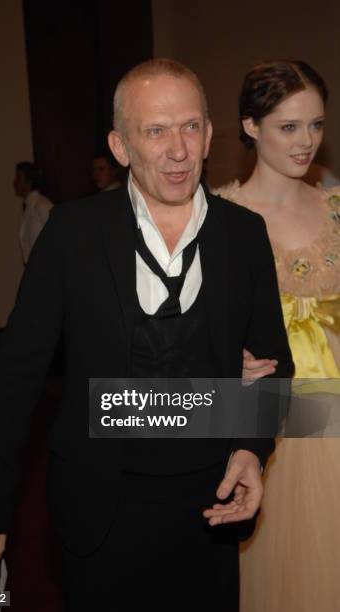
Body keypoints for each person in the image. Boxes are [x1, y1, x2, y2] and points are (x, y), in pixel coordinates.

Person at [0, 59, 293, 611]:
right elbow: (16, 378)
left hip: (209, 507)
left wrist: (252, 450)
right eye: (155, 131)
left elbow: (274, 365)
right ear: (120, 146)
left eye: (190, 127)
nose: (178, 150)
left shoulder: (244, 235)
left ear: (210, 135)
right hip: (100, 508)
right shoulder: (71, 234)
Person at [215, 59, 340, 612]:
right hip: (272, 425)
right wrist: (223, 360)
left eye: (315, 125)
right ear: (250, 126)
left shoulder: (337, 207)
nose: (306, 141)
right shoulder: (220, 215)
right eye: (288, 127)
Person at [13, 161, 53, 264]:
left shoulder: (42, 205)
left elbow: (57, 235)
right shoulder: (26, 209)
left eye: (19, 178)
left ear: (29, 182)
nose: (15, 182)